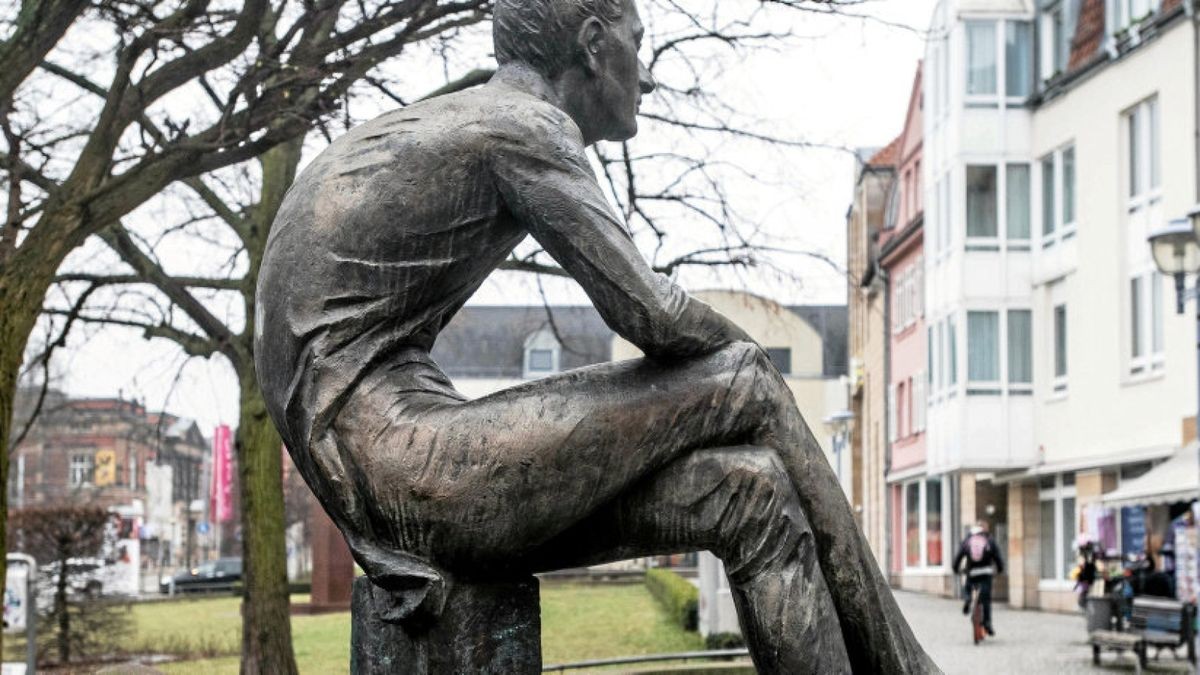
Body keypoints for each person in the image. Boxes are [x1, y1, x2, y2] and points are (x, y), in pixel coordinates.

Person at [254, 0, 938, 672]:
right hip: (403, 472)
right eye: (635, 42)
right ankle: (903, 665)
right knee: (746, 378)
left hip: (387, 478)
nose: (646, 73)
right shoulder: (522, 125)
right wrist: (743, 357)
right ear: (590, 42)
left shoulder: (464, 115)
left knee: (751, 494)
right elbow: (650, 313)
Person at [953, 521, 1004, 636]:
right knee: (986, 599)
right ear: (984, 529)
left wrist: (956, 569)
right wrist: (1000, 569)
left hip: (972, 573)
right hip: (986, 572)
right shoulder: (989, 539)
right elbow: (997, 557)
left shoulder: (968, 540)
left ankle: (967, 598)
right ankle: (987, 623)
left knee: (967, 586)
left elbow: (959, 556)